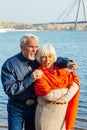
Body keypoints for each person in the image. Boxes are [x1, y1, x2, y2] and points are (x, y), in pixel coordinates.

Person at [1, 34, 78, 130]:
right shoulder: (9, 64)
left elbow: (53, 58)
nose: (34, 50)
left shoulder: (37, 58)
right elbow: (10, 90)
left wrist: (67, 63)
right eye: (31, 47)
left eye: (36, 47)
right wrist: (30, 79)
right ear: (22, 47)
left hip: (35, 107)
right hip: (16, 109)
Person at [34, 44, 80, 130]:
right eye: (44, 57)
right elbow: (48, 96)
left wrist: (64, 99)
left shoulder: (62, 71)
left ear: (54, 57)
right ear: (39, 58)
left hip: (62, 116)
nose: (47, 60)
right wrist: (66, 89)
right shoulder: (39, 74)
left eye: (50, 56)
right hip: (46, 116)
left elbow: (76, 85)